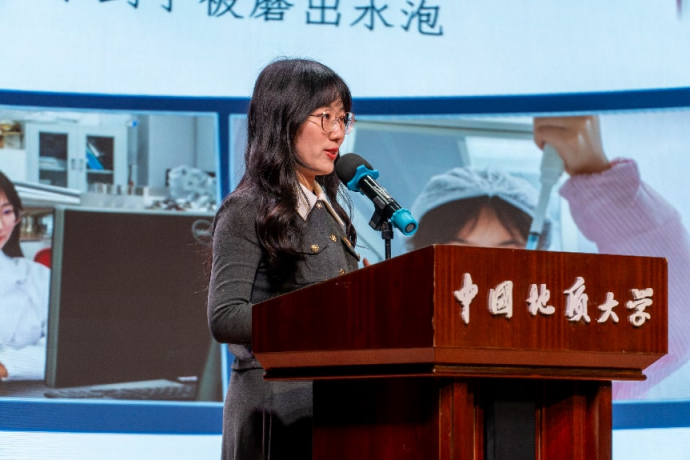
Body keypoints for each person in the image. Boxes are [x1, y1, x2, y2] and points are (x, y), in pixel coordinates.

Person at [407, 115, 690, 401]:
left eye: (507, 252)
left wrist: (596, 176)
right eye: (459, 251)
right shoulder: (397, 340)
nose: (482, 273)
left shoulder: (564, 355)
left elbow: (671, 325)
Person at [207, 58, 364, 460]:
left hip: (333, 407)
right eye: (324, 117)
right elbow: (225, 317)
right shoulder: (248, 209)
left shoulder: (331, 211)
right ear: (283, 120)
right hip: (274, 409)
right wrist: (322, 315)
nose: (337, 132)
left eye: (343, 118)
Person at [0, 170, 51, 381]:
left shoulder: (40, 278)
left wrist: (5, 366)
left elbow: (61, 350)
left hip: (20, 398)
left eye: (6, 212)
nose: (1, 226)